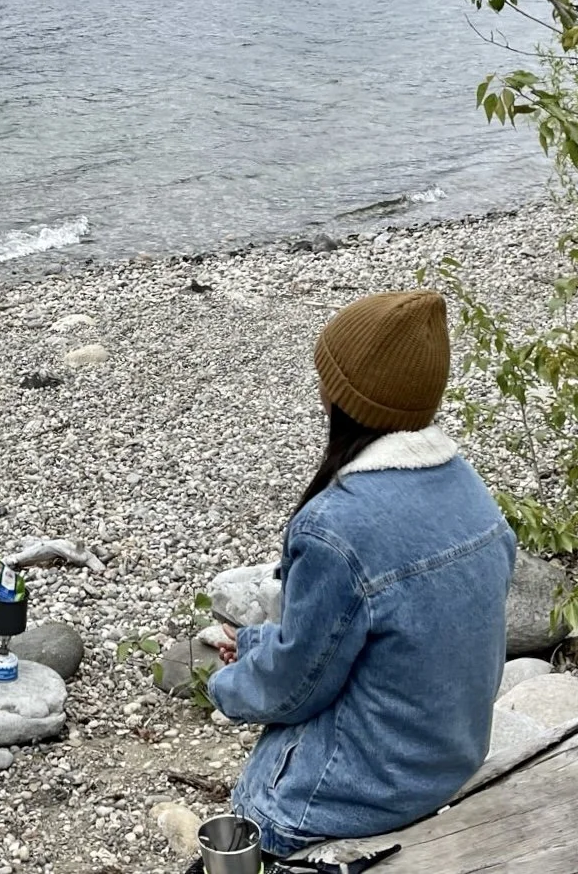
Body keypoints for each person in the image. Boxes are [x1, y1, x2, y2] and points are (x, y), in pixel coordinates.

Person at [204, 289, 516, 863]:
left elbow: (298, 686)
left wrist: (224, 688)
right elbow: (382, 640)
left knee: (247, 817)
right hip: (449, 761)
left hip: (358, 794)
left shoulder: (335, 525)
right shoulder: (470, 492)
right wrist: (251, 641)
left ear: (341, 396)